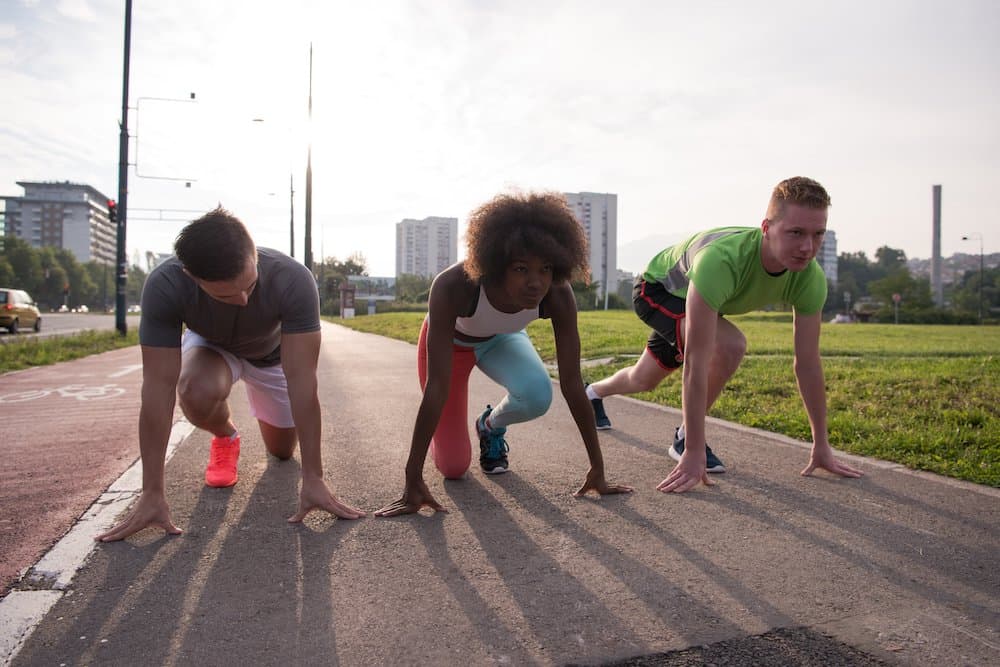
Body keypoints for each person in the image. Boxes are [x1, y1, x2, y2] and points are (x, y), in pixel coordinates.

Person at [97, 207, 364, 542]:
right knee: (193, 389)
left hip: (271, 357)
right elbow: (157, 390)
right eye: (225, 295)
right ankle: (225, 436)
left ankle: (272, 426)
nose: (243, 300)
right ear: (191, 276)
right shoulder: (165, 285)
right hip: (213, 349)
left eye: (250, 286)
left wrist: (314, 477)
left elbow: (302, 382)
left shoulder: (293, 279)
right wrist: (151, 492)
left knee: (282, 452)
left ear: (254, 253)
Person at [585, 176, 863, 493]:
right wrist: (693, 451)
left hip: (701, 300)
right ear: (766, 228)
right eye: (796, 233)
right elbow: (696, 363)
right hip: (659, 291)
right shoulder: (721, 261)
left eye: (818, 234)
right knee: (729, 345)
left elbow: (809, 363)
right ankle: (685, 438)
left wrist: (822, 444)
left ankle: (592, 394)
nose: (807, 247)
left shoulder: (809, 278)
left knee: (643, 379)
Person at [376, 192, 632, 516]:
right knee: (454, 467)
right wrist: (412, 476)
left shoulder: (557, 295)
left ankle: (489, 425)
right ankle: (440, 454)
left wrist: (598, 468)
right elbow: (436, 387)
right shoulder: (453, 286)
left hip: (501, 339)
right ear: (496, 265)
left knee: (538, 394)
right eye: (521, 268)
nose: (535, 282)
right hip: (453, 344)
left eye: (545, 268)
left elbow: (571, 383)